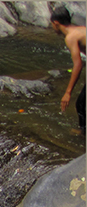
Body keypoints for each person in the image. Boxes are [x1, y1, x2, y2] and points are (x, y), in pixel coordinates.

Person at [51, 6, 86, 135]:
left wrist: (68, 92)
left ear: (56, 23)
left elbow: (78, 65)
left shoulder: (70, 37)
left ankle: (84, 134)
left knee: (81, 104)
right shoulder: (81, 29)